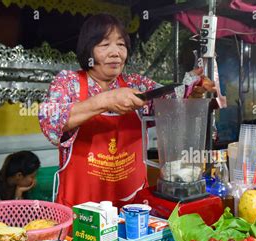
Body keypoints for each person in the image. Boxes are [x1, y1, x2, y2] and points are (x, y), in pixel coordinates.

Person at [39, 14, 215, 208]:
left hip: (133, 208)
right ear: (88, 50)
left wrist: (192, 89)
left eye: (121, 45)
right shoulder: (68, 82)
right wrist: (106, 100)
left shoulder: (135, 83)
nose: (115, 53)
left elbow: (172, 102)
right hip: (82, 212)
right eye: (105, 45)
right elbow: (50, 120)